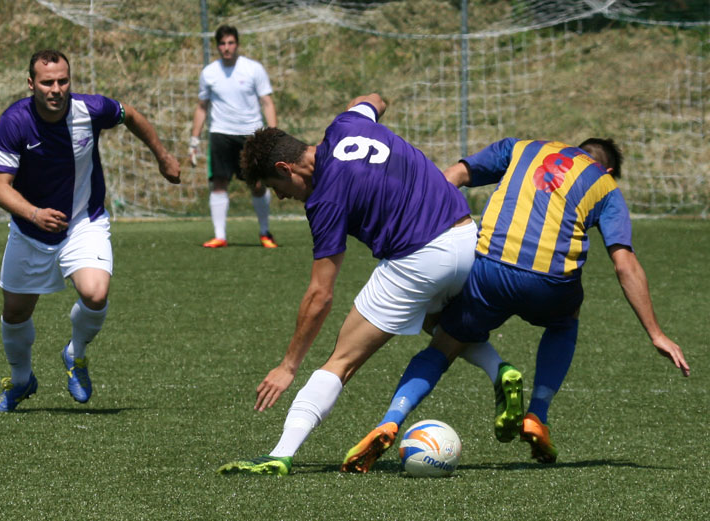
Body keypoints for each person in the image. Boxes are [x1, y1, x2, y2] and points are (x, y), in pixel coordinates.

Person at [344, 137, 691, 470]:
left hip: (489, 270)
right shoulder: (605, 185)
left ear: (573, 148)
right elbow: (624, 263)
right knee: (565, 320)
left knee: (443, 344)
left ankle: (391, 420)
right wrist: (655, 333)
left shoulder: (521, 148)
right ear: (609, 169)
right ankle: (537, 414)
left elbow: (455, 175)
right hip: (550, 285)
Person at [216, 93, 481, 476]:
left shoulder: (324, 200)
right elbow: (376, 99)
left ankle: (281, 453)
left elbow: (320, 294)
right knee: (440, 326)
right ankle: (500, 370)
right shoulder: (347, 124)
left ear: (285, 168)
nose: (282, 196)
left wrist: (288, 366)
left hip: (420, 258)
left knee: (341, 361)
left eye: (276, 186)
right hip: (468, 237)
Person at [0, 49, 181, 412]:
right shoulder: (15, 121)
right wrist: (34, 214)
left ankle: (75, 354)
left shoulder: (90, 109)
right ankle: (22, 380)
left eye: (63, 81)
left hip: (83, 221)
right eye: (47, 82)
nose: (56, 89)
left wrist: (163, 156)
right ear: (31, 84)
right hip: (30, 230)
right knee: (14, 313)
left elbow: (130, 114)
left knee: (95, 293)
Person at [189, 24, 279, 248]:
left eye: (230, 43)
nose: (226, 48)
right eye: (222, 44)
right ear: (217, 46)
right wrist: (194, 141)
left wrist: (273, 135)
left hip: (251, 134)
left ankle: (265, 232)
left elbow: (267, 102)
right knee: (219, 183)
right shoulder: (209, 73)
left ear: (237, 44)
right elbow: (201, 107)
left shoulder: (253, 69)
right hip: (220, 133)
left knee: (257, 184)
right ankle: (220, 236)